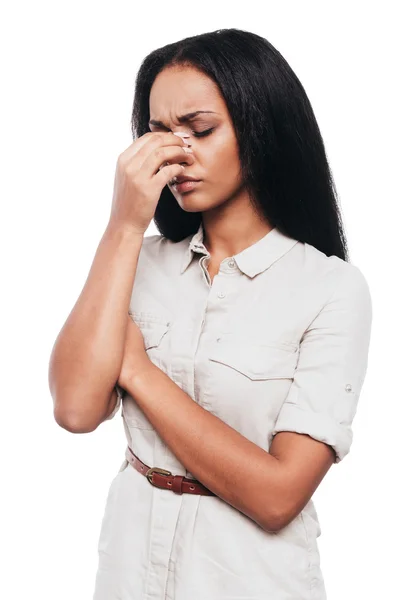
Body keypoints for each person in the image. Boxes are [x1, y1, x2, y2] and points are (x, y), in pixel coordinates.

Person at [49, 28, 373, 600]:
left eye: (200, 130)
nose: (176, 153)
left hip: (251, 581)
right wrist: (124, 225)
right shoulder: (134, 261)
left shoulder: (330, 289)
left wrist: (142, 374)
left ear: (261, 128)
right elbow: (76, 409)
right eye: (157, 134)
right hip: (128, 572)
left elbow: (278, 496)